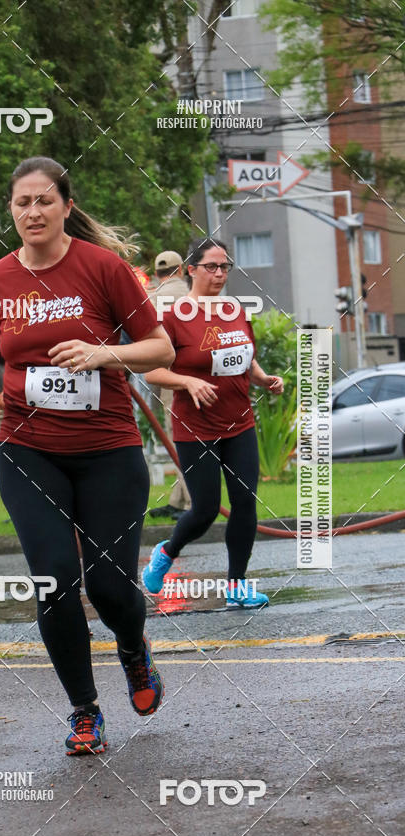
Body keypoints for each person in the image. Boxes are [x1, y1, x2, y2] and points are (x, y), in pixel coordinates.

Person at [0, 156, 175, 756]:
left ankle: (134, 651)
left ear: (66, 206)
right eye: (21, 203)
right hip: (29, 452)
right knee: (54, 581)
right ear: (11, 210)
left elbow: (159, 348)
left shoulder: (103, 269)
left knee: (111, 588)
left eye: (43, 201)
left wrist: (101, 354)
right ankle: (84, 712)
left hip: (108, 449)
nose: (32, 213)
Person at [141, 238, 284, 608]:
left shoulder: (236, 310)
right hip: (196, 428)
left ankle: (237, 586)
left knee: (245, 504)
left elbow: (244, 358)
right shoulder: (174, 316)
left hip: (239, 424)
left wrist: (264, 378)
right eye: (212, 267)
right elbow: (151, 369)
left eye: (225, 267)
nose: (220, 274)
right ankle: (167, 552)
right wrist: (186, 381)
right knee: (204, 510)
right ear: (192, 270)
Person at [147, 251, 191, 520]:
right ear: (183, 269)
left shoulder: (150, 299)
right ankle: (180, 499)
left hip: (165, 377)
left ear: (157, 273)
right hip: (193, 374)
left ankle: (191, 504)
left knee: (179, 439)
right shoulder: (192, 295)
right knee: (186, 439)